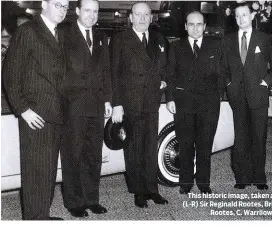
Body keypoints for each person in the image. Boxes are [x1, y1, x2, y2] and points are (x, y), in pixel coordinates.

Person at [2, 0, 69, 220]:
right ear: (44, 5)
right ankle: (34, 219)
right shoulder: (29, 30)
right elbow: (10, 74)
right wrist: (23, 110)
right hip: (36, 116)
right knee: (35, 173)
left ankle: (42, 215)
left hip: (54, 113)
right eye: (58, 5)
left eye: (65, 6)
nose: (62, 10)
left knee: (47, 172)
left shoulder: (57, 33)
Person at [110, 2, 168, 208]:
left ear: (151, 17)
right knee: (133, 148)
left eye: (146, 14)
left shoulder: (158, 38)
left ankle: (152, 189)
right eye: (138, 14)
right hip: (130, 101)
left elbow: (165, 65)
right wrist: (117, 104)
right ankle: (138, 191)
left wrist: (164, 80)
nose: (142, 18)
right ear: (131, 17)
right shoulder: (120, 40)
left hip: (151, 101)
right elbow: (114, 73)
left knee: (151, 146)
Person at [222, 2, 272, 190]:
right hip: (237, 96)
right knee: (240, 139)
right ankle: (242, 178)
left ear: (252, 16)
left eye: (244, 15)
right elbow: (222, 68)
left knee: (258, 138)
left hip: (258, 97)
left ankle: (259, 177)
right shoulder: (227, 40)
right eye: (237, 16)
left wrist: (266, 81)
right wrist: (228, 84)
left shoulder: (264, 38)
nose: (240, 19)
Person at [59, 0, 111, 217]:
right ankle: (74, 202)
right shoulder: (64, 34)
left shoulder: (100, 37)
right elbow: (58, 71)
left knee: (93, 155)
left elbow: (106, 70)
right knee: (73, 154)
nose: (92, 15)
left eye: (96, 11)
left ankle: (92, 198)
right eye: (87, 10)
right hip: (73, 106)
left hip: (97, 106)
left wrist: (108, 100)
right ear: (77, 11)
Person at [165, 11, 225, 195]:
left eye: (199, 24)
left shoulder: (216, 46)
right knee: (185, 145)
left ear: (205, 27)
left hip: (209, 105)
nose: (196, 28)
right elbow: (169, 75)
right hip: (184, 105)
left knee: (205, 145)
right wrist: (170, 98)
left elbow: (222, 74)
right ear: (185, 26)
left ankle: (204, 183)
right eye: (191, 24)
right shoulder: (175, 47)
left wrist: (218, 95)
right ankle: (185, 182)